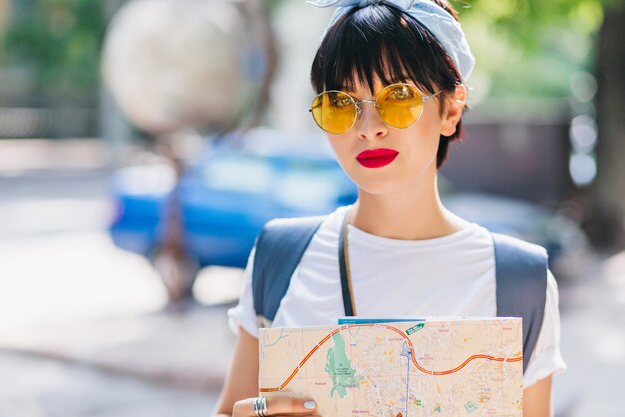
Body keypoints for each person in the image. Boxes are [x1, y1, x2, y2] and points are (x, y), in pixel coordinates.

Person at [214, 1, 566, 417]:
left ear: (451, 108)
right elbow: (229, 409)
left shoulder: (520, 281)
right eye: (342, 102)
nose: (369, 126)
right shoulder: (281, 256)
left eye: (398, 97)